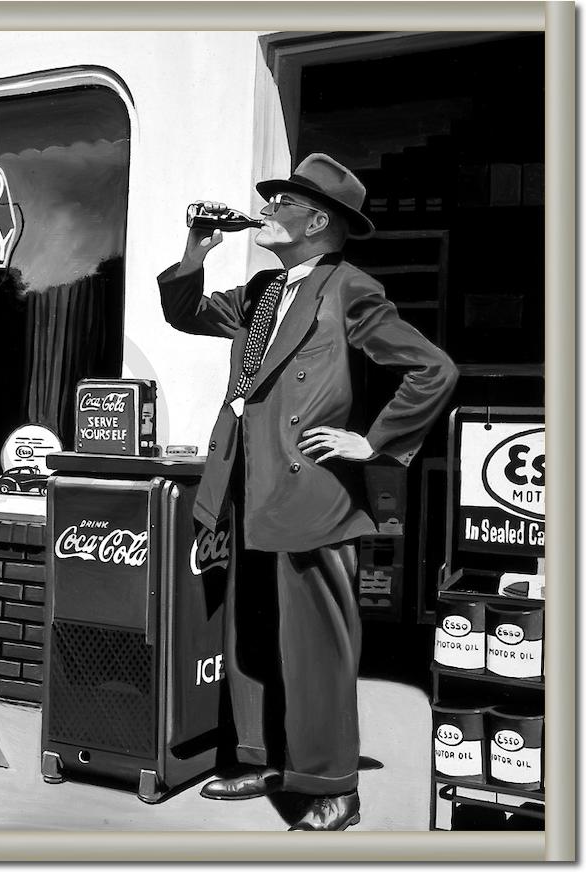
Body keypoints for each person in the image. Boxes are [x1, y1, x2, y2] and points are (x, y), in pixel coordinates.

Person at [157, 153, 458, 831]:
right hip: (244, 487)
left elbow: (432, 369)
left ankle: (335, 789)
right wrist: (196, 248)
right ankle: (266, 761)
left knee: (317, 649)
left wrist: (376, 444)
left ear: (316, 220)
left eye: (278, 203)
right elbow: (184, 312)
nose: (262, 210)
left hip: (311, 496)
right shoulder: (263, 289)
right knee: (253, 636)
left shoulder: (350, 289)